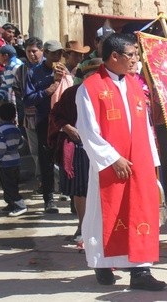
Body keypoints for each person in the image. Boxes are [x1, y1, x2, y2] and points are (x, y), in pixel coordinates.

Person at [75, 33, 166, 291]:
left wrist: (153, 161)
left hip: (139, 163)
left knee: (141, 213)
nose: (136, 60)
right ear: (114, 56)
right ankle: (103, 263)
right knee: (107, 215)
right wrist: (113, 158)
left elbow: (146, 127)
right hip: (109, 166)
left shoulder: (135, 85)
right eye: (132, 54)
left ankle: (141, 271)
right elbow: (87, 129)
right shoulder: (90, 88)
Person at [48, 58, 103, 243]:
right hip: (79, 146)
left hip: (104, 147)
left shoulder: (108, 94)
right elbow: (56, 115)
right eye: (89, 75)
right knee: (81, 190)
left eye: (97, 74)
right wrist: (67, 128)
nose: (93, 78)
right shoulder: (72, 93)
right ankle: (82, 225)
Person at [24, 40, 67, 214]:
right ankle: (49, 199)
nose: (57, 56)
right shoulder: (34, 73)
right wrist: (49, 89)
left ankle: (69, 192)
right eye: (54, 53)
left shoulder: (64, 70)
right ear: (46, 53)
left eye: (59, 53)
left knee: (67, 157)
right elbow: (28, 99)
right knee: (46, 160)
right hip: (45, 120)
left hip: (64, 120)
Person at [13, 37, 44, 185]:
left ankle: (56, 182)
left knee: (51, 150)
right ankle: (41, 180)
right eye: (28, 51)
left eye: (34, 51)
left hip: (49, 117)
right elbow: (17, 92)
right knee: (35, 151)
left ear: (42, 51)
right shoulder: (22, 70)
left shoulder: (50, 66)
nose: (32, 54)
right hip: (30, 117)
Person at [0, 102, 26, 217]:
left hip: (5, 163)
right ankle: (11, 204)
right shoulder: (15, 129)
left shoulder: (1, 130)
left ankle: (20, 205)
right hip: (16, 161)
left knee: (8, 185)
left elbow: (1, 148)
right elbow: (21, 144)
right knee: (12, 184)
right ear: (14, 116)